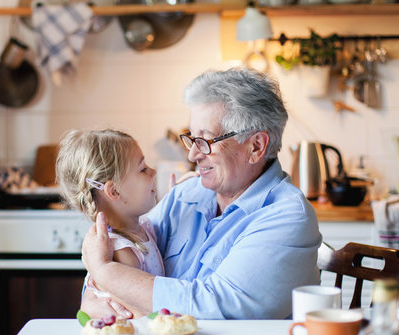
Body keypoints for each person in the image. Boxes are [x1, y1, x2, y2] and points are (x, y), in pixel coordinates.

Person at [80, 68, 322, 320]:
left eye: (205, 142)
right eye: (192, 139)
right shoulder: (186, 194)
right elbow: (121, 249)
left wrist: (105, 273)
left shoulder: (288, 218)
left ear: (256, 146)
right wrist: (96, 291)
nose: (192, 155)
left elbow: (212, 307)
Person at [56, 129, 165, 318]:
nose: (153, 171)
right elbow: (141, 313)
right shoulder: (121, 251)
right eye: (142, 169)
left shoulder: (142, 229)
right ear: (114, 191)